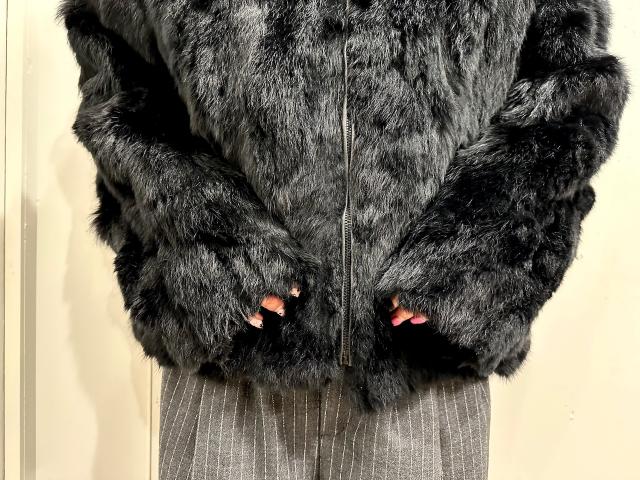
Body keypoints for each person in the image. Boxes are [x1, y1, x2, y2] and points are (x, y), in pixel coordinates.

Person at [60, 0, 627, 478]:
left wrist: (463, 270)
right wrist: (218, 258)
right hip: (232, 369)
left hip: (418, 374)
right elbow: (119, 82)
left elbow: (572, 101)